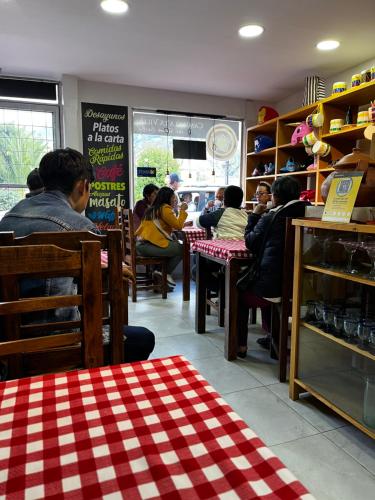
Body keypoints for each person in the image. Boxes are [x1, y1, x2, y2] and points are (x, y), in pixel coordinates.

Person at [0, 148, 155, 363]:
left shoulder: (9, 217)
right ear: (83, 186)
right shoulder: (80, 228)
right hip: (61, 340)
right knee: (144, 338)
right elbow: (103, 286)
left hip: (8, 340)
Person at [237, 176, 308, 358]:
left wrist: (254, 215)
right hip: (301, 286)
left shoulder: (272, 216)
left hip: (274, 286)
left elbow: (250, 242)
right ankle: (273, 338)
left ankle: (240, 345)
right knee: (265, 286)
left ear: (274, 196)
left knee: (238, 292)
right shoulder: (308, 211)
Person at [136, 186, 187, 287]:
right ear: (167, 198)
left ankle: (159, 273)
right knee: (183, 248)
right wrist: (182, 210)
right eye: (173, 197)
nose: (175, 199)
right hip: (147, 247)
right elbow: (178, 226)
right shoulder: (165, 208)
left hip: (141, 245)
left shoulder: (153, 209)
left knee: (172, 247)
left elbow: (163, 227)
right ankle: (164, 272)